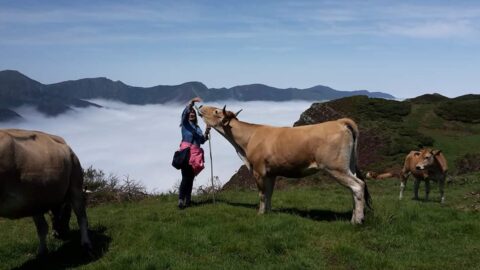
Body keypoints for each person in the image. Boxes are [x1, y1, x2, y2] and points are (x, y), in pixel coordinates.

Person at [177, 97, 210, 209]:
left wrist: (206, 131)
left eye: (193, 113)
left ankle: (188, 200)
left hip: (195, 155)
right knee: (186, 177)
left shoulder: (197, 128)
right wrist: (191, 103)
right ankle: (181, 200)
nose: (191, 114)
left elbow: (201, 141)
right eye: (190, 113)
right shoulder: (185, 124)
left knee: (190, 178)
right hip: (186, 154)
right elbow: (184, 112)